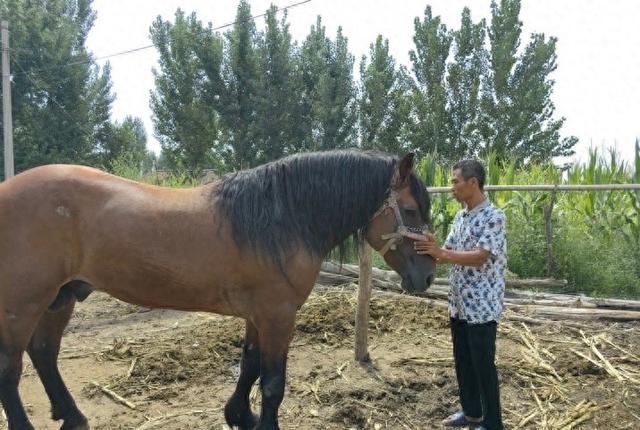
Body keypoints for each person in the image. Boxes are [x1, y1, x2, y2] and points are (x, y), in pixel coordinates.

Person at [414, 159, 506, 430]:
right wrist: (432, 247)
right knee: (463, 361)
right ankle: (471, 413)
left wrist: (442, 253)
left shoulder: (494, 217)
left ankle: (493, 423)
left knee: (483, 365)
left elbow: (480, 256)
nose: (451, 187)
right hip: (459, 304)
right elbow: (447, 252)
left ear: (473, 183)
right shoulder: (461, 216)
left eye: (455, 181)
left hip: (482, 307)